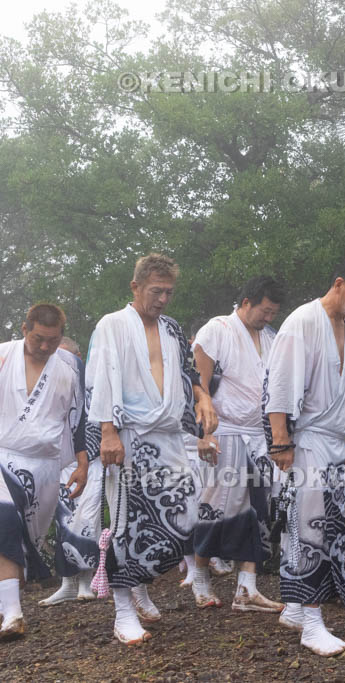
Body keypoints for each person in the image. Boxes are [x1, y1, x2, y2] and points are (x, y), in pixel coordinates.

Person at [88, 253, 218, 645]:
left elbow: (189, 373)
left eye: (168, 292)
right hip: (129, 434)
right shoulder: (112, 324)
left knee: (186, 515)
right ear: (135, 287)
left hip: (167, 434)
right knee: (130, 525)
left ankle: (140, 584)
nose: (162, 299)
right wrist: (108, 432)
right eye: (155, 291)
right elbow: (100, 379)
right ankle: (124, 610)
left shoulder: (172, 327)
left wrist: (203, 398)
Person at [264, 257, 345, 656]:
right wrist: (281, 443)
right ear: (340, 284)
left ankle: (296, 608)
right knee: (307, 530)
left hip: (337, 442)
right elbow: (278, 386)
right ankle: (312, 625)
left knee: (337, 531)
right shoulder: (301, 322)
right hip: (307, 441)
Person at [189, 276, 287, 613]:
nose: (268, 318)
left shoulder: (271, 338)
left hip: (258, 434)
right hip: (223, 429)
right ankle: (200, 578)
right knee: (216, 508)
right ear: (246, 302)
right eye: (264, 310)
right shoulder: (216, 330)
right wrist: (205, 433)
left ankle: (246, 589)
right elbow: (198, 385)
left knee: (257, 510)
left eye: (273, 313)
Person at [0, 304, 88, 640]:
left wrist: (81, 462)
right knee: (5, 522)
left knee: (23, 544)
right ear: (24, 328)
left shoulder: (69, 366)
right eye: (39, 339)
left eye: (53, 340)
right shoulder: (4, 357)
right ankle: (13, 615)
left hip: (45, 467)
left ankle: (7, 603)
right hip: (4, 455)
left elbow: (77, 420)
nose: (45, 347)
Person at [41, 336, 104, 607]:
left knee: (87, 518)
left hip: (93, 458)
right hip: (59, 459)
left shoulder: (93, 384)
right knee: (63, 520)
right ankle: (67, 583)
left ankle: (86, 582)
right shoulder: (48, 390)